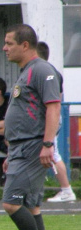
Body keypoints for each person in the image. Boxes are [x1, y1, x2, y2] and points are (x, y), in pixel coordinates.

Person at [2, 24, 60, 230]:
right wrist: (11, 153)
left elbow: (53, 108)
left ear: (25, 45)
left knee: (11, 203)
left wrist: (47, 144)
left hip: (33, 146)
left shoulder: (42, 70)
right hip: (20, 148)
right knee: (32, 205)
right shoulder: (26, 71)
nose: (5, 48)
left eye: (9, 43)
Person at [37, 41, 77, 202]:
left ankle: (67, 190)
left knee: (53, 153)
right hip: (50, 116)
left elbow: (54, 101)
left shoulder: (48, 73)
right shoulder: (50, 72)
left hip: (51, 117)